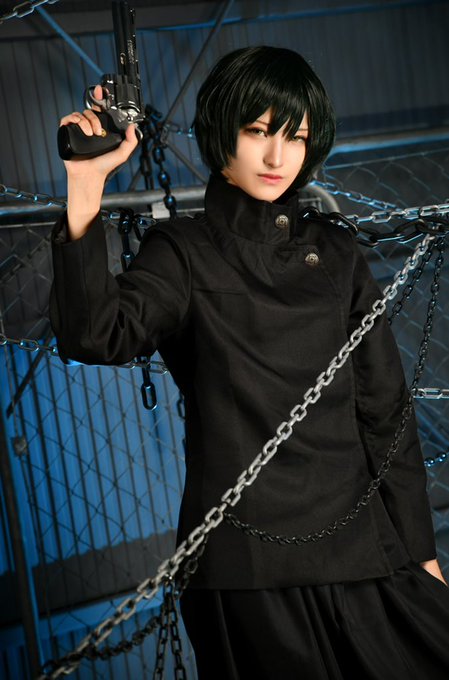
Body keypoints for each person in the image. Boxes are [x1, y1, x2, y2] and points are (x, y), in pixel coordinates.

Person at [51, 46, 449, 679]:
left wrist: (422, 555)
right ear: (221, 132)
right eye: (258, 131)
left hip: (366, 551)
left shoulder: (337, 253)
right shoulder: (182, 252)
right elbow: (96, 335)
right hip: (248, 572)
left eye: (295, 137)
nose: (276, 158)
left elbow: (386, 413)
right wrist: (85, 189)